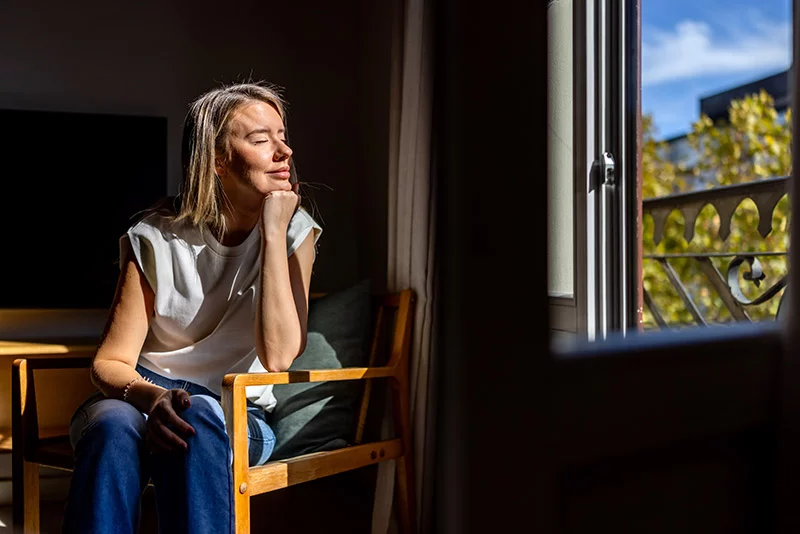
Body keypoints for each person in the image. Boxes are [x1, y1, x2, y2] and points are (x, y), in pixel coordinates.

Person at [62, 82, 322, 534]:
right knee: (110, 425)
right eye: (262, 140)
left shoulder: (294, 231)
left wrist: (275, 233)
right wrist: (156, 397)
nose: (284, 150)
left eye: (282, 136)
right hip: (145, 394)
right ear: (217, 161)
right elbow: (111, 362)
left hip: (237, 411)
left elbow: (279, 356)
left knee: (200, 415)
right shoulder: (157, 236)